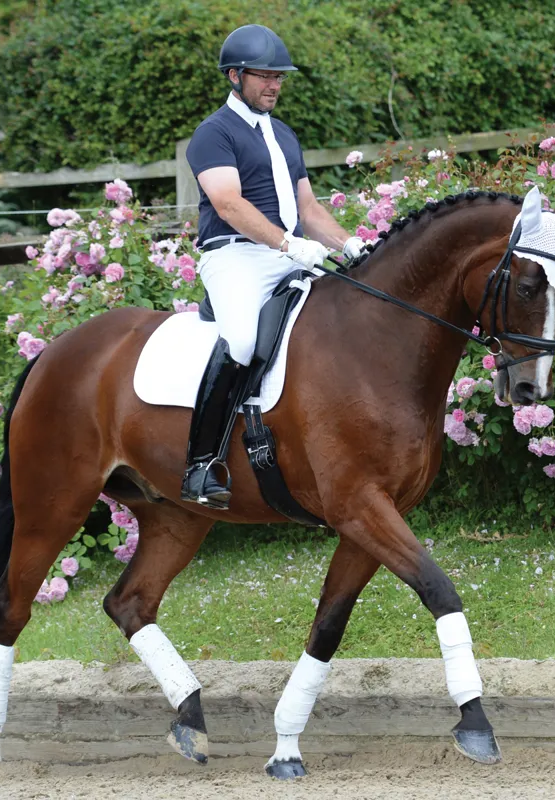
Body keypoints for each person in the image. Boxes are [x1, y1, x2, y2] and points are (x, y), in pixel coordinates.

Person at [181, 23, 366, 509]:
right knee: (242, 339)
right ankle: (200, 465)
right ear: (234, 76)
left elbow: (309, 209)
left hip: (287, 253)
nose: (274, 85)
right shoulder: (213, 134)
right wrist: (289, 245)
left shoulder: (283, 134)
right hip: (235, 256)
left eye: (279, 77)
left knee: (344, 317)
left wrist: (352, 245)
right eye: (264, 76)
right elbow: (229, 205)